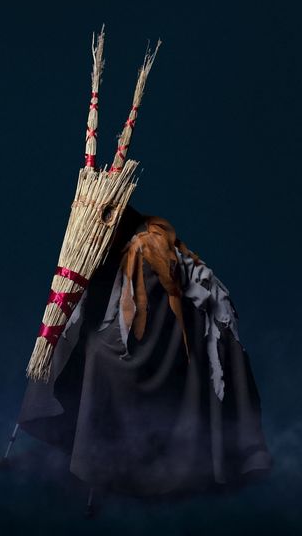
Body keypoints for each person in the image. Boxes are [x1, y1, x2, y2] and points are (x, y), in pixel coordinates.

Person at [17, 204, 272, 503]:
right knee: (69, 340)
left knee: (99, 354)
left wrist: (101, 342)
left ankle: (103, 464)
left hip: (171, 340)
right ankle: (75, 437)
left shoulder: (147, 247)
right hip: (146, 329)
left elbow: (140, 320)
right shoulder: (111, 245)